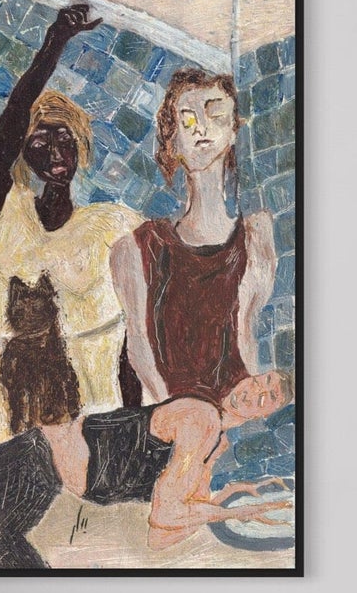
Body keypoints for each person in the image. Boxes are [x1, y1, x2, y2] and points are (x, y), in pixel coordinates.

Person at [0, 2, 139, 454]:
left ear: (82, 147)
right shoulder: (0, 211)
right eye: (40, 139)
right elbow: (0, 143)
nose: (56, 150)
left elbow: (130, 337)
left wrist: (130, 427)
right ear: (22, 151)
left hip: (84, 422)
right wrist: (54, 43)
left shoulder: (109, 227)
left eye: (65, 138)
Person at [0, 369, 293, 571]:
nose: (254, 390)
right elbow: (166, 513)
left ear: (266, 415)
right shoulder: (200, 419)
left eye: (268, 396)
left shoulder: (214, 445)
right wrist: (236, 511)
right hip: (29, 464)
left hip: (41, 485)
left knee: (12, 570)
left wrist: (217, 502)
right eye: (260, 380)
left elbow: (161, 537)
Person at [111, 68, 275, 406]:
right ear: (173, 143)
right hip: (171, 419)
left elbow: (248, 337)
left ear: (233, 129)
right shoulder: (136, 248)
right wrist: (174, 415)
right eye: (186, 120)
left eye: (215, 114)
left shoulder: (257, 236)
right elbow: (140, 349)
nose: (200, 127)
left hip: (241, 415)